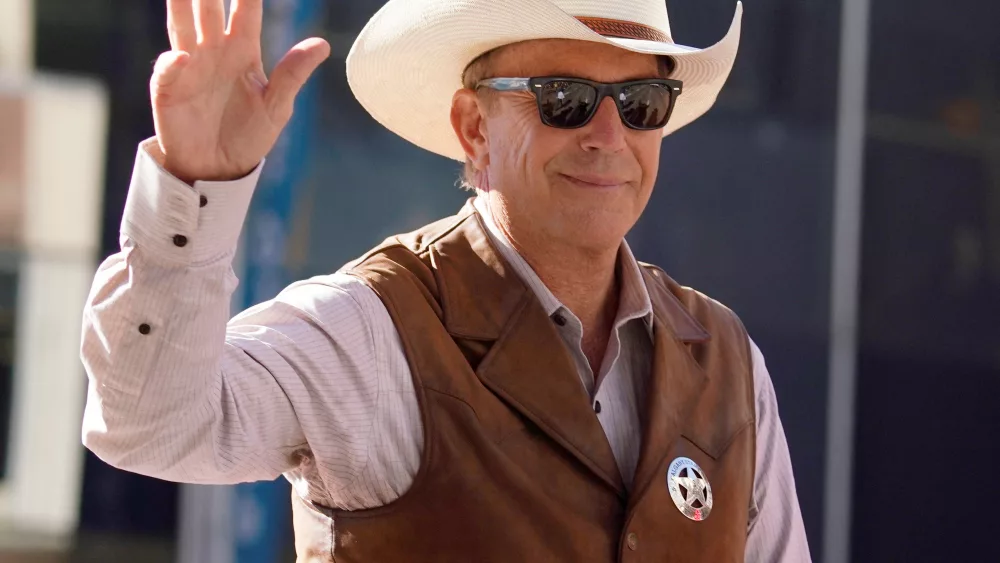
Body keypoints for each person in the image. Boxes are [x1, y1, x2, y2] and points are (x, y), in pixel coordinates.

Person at [80, 0, 811, 561]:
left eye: (642, 105)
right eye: (565, 98)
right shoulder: (370, 328)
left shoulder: (726, 360)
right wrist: (194, 187)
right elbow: (152, 425)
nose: (608, 137)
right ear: (473, 127)